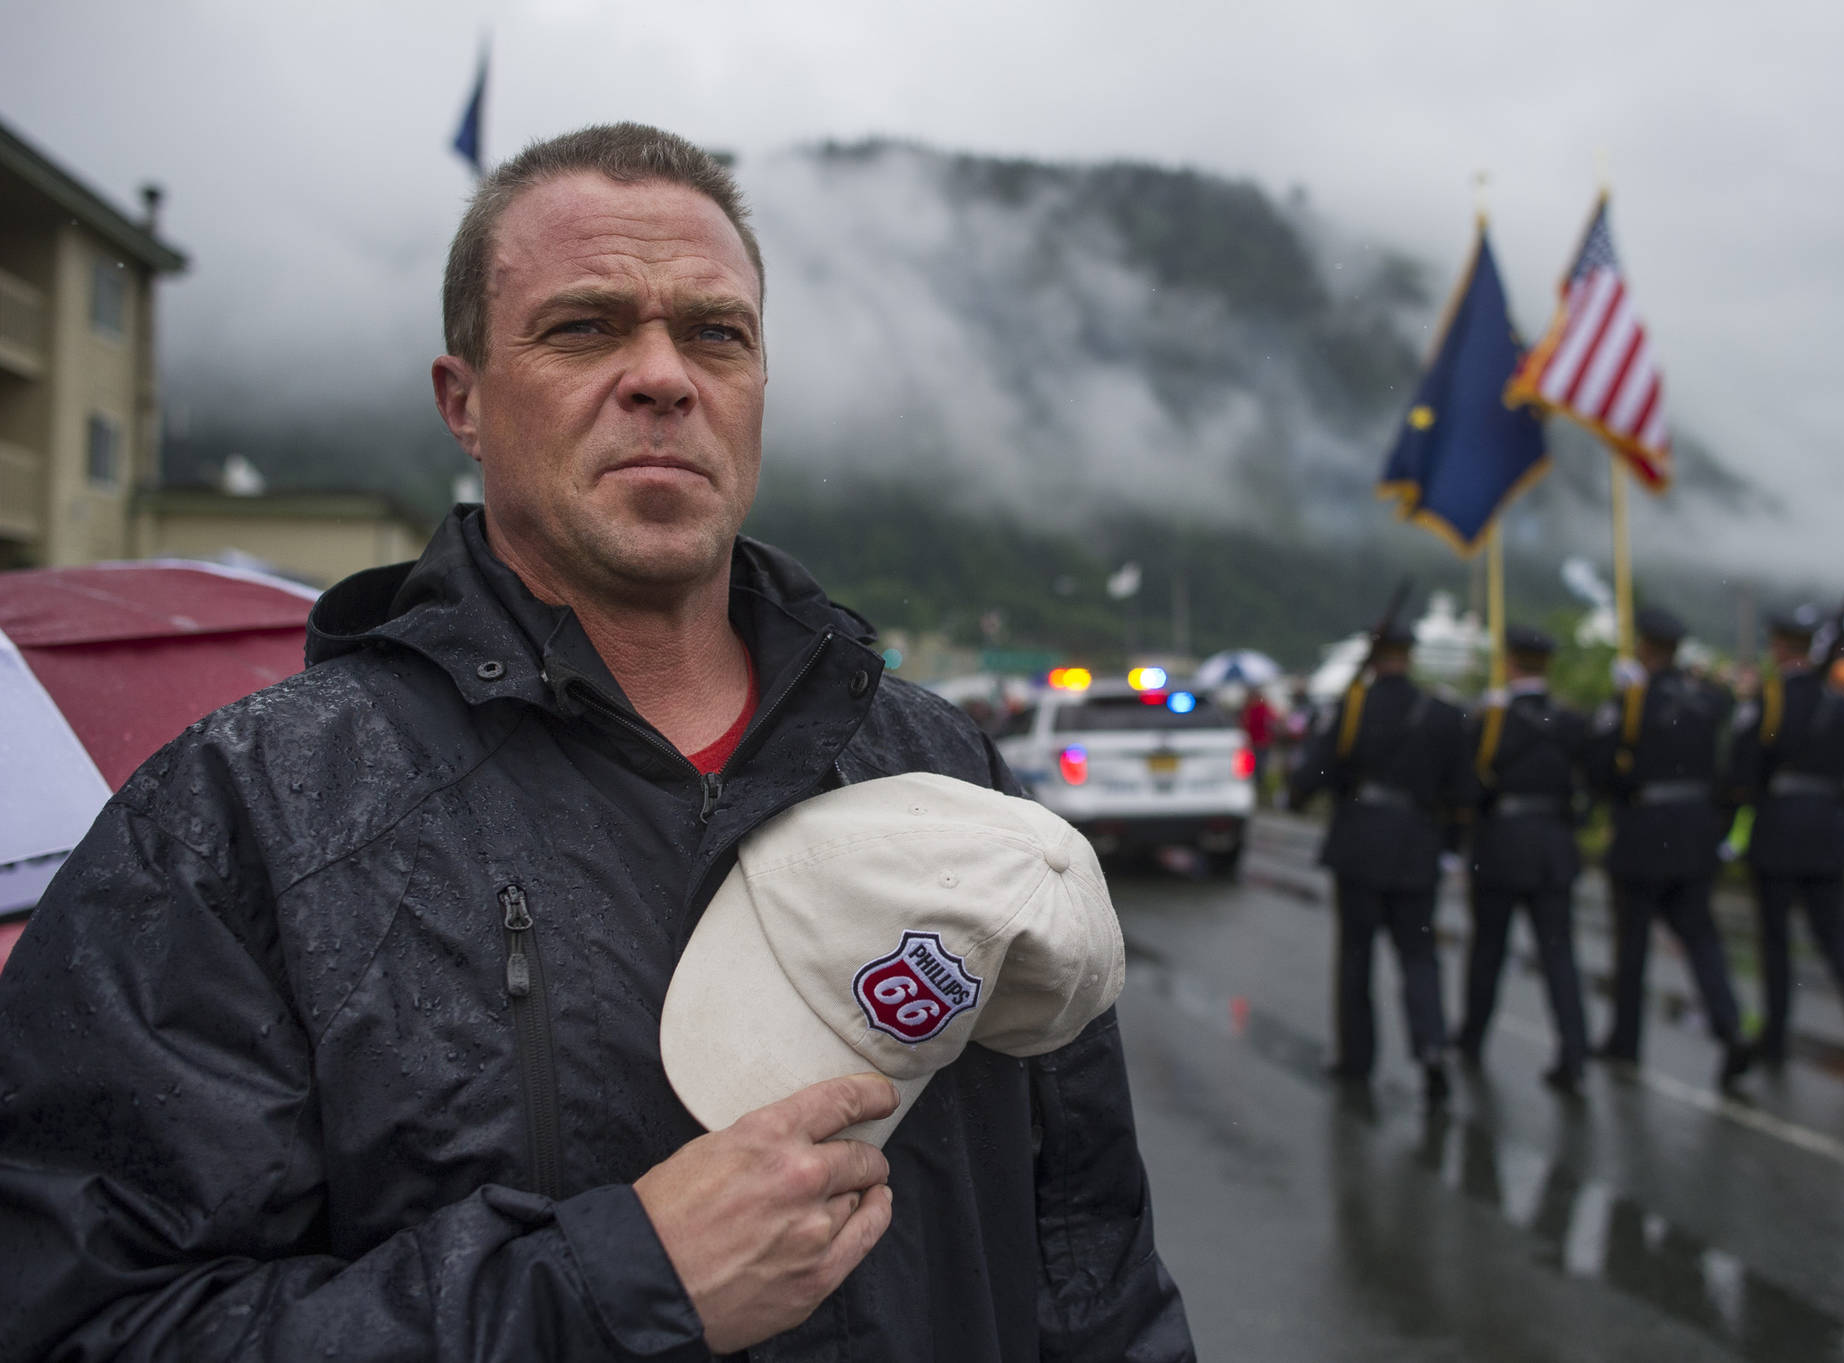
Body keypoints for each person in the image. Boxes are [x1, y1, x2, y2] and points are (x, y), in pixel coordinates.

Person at [0, 124, 1191, 1362]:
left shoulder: (947, 774)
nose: (664, 376)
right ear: (463, 400)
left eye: (714, 334)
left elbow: (1090, 1259)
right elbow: (83, 1321)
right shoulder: (246, 816)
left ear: (758, 388)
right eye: (585, 328)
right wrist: (608, 1288)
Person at [1289, 624, 1469, 1101]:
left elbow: (1313, 774)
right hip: (1418, 844)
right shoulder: (1444, 713)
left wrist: (1300, 791)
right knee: (1419, 956)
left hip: (1361, 843)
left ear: (1373, 658)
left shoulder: (1352, 709)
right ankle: (1431, 1045)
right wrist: (1448, 845)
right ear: (1408, 657)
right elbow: (1462, 791)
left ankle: (1356, 1059)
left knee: (1356, 957)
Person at [1587, 607, 1753, 1089]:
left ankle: (1625, 1039)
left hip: (1644, 828)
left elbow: (1600, 769)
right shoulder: (1710, 699)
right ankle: (1730, 1027)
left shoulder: (1633, 699)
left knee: (1633, 943)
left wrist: (1624, 788)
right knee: (1701, 939)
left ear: (1645, 646)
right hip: (1696, 830)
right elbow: (1732, 765)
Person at [1731, 606, 1844, 1081]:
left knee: (1776, 941)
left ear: (1780, 645)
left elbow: (1744, 769)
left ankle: (1776, 1034)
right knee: (1836, 936)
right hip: (1827, 830)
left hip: (1780, 827)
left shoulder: (1771, 699)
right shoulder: (1840, 702)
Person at [1454, 625, 1592, 1095]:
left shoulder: (1490, 721)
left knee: (1488, 951)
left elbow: (1469, 788)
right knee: (1559, 956)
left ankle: (1472, 1037)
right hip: (1553, 845)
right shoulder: (1570, 721)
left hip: (1500, 845)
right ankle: (1574, 1050)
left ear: (1510, 662)